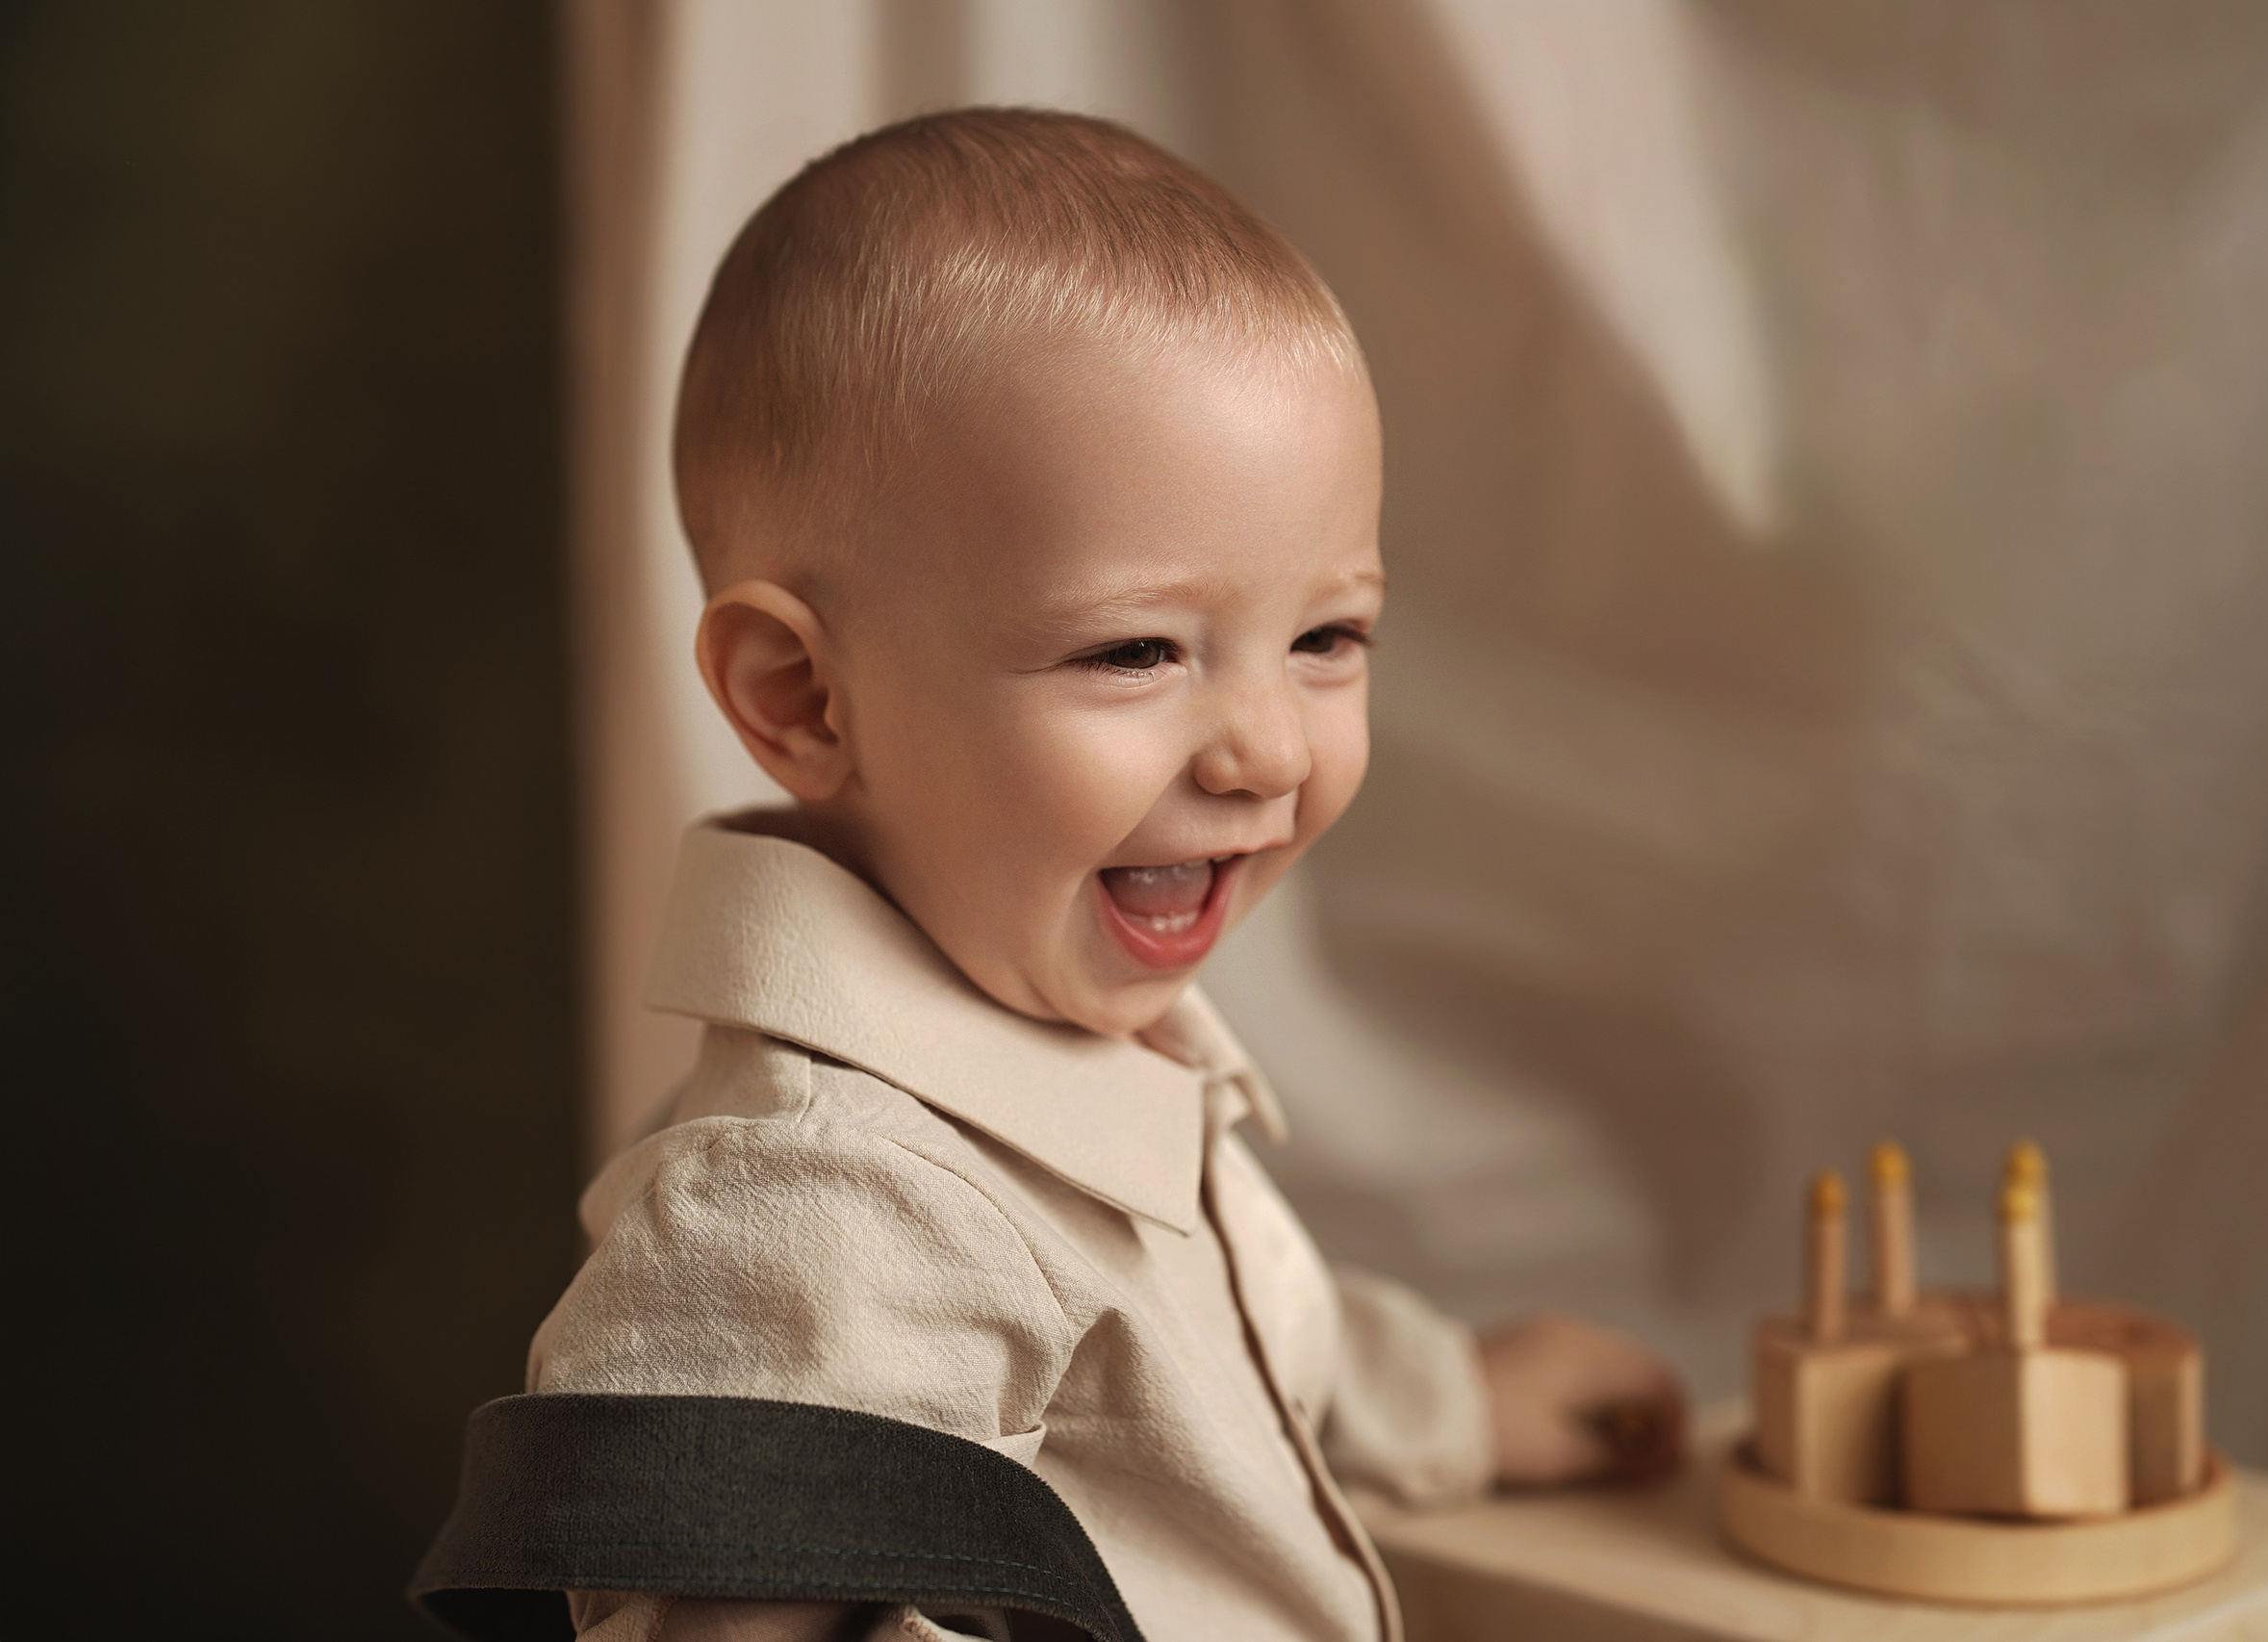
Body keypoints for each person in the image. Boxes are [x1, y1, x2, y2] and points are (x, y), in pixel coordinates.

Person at [415, 108, 1683, 1642]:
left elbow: (1183, 1355)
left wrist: (1442, 1397)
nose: (1268, 749)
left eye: (1326, 636)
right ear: (804, 697)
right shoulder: (823, 1208)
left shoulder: (1042, 1025)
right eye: (1135, 650)